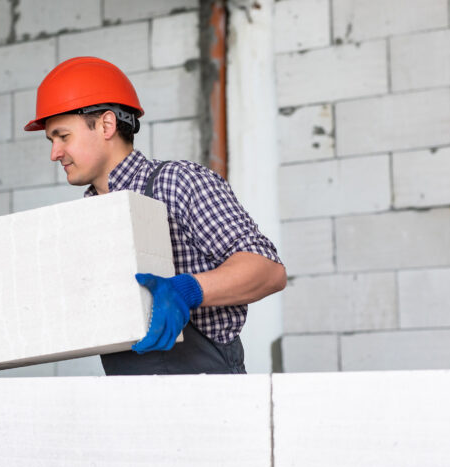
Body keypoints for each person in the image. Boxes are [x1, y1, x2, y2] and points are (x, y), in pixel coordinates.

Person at [25, 57, 286, 376]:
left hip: (210, 397)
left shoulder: (178, 182)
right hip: (132, 404)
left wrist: (188, 290)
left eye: (63, 136)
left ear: (106, 125)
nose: (54, 153)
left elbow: (268, 270)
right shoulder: (88, 218)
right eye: (51, 141)